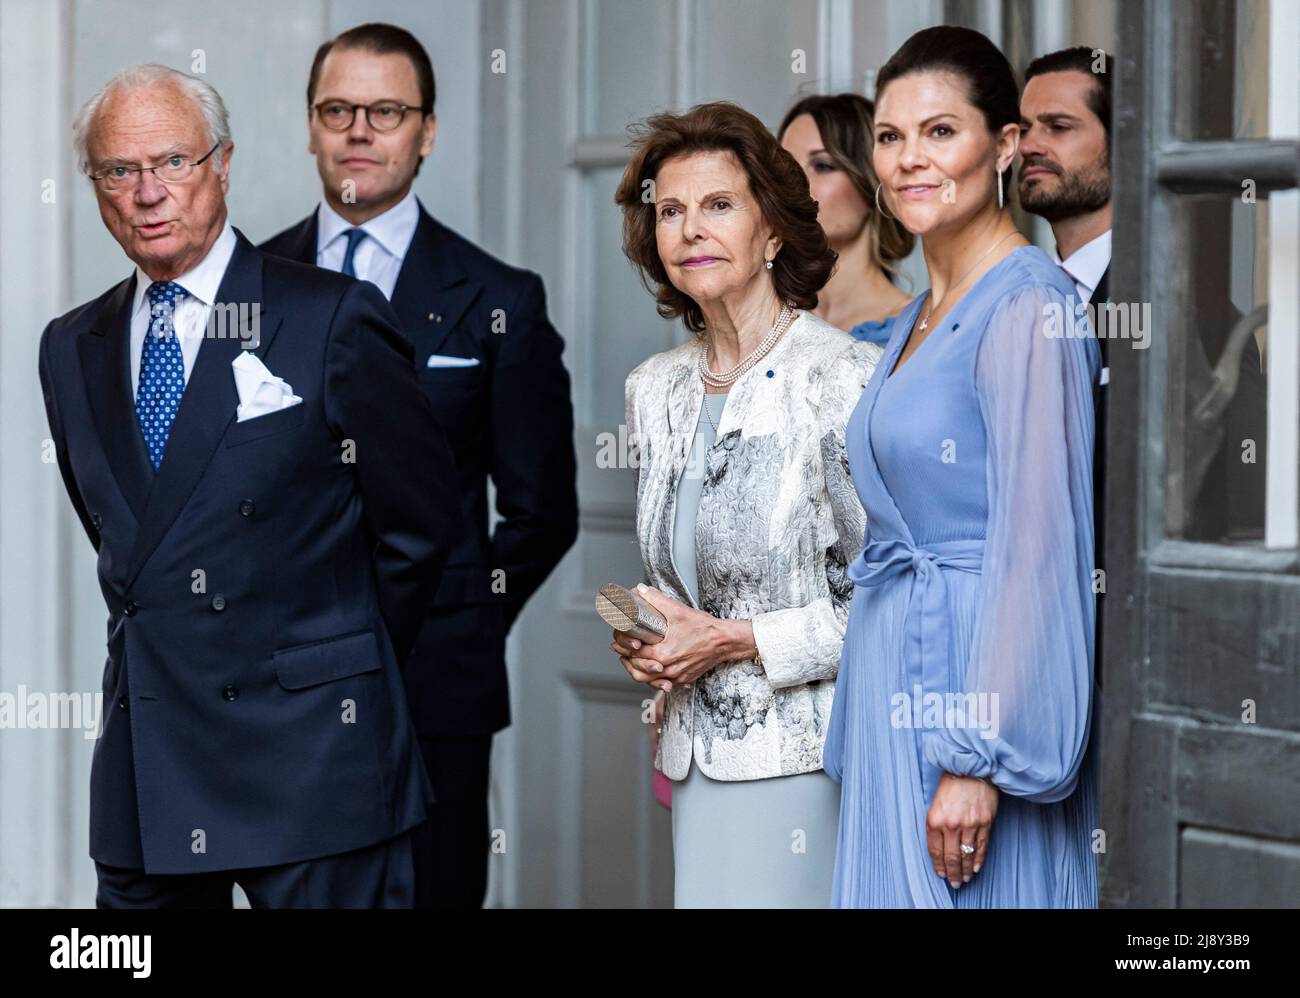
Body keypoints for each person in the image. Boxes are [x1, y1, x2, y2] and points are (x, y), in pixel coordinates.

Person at [39, 64, 459, 907]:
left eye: (174, 163)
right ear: (94, 187)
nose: (148, 193)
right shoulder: (69, 345)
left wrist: (338, 663)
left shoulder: (330, 315)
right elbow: (133, 539)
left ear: (223, 164)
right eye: (119, 171)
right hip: (149, 759)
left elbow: (421, 527)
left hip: (315, 757)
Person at [261, 22, 580, 909]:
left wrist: (465, 615)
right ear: (312, 125)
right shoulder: (248, 286)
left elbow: (542, 509)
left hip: (437, 688)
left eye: (386, 111)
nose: (359, 130)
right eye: (339, 110)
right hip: (278, 686)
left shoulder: (498, 299)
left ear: (427, 131)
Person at [823, 26, 1101, 908]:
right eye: (892, 136)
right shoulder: (914, 318)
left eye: (941, 132)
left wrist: (981, 760)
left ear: (1006, 146)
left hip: (970, 709)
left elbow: (1039, 549)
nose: (910, 160)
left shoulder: (1026, 307)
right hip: (890, 690)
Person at [611, 101, 880, 907]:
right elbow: (687, 577)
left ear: (772, 233)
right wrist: (656, 641)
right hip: (691, 759)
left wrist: (730, 641)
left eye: (718, 205)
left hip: (806, 761)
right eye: (670, 211)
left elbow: (884, 600)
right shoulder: (652, 388)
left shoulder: (844, 378)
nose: (690, 228)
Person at [1018, 46, 1113, 685]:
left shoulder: (1178, 308)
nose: (1030, 144)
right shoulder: (1015, 297)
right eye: (1023, 128)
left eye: (1059, 126)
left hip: (1113, 659)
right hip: (1026, 656)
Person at [778, 93, 914, 344]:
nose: (795, 184)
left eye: (822, 166)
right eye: (786, 169)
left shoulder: (915, 334)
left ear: (873, 181)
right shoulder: (763, 325)